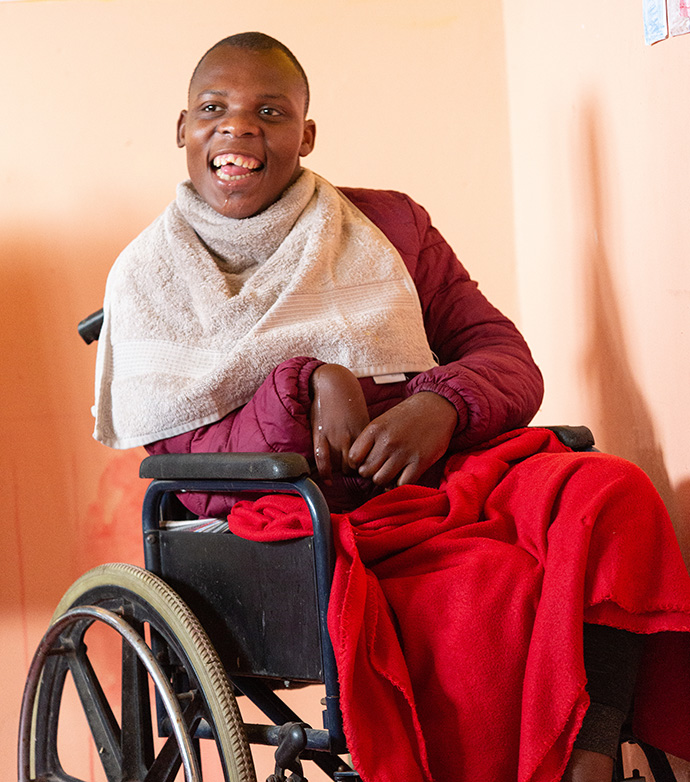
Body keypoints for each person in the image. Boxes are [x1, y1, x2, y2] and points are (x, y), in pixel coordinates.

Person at [93, 33, 690, 782]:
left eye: (269, 111)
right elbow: (184, 459)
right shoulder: (149, 275)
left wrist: (441, 404)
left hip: (436, 473)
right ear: (183, 130)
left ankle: (588, 757)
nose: (239, 127)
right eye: (214, 108)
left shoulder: (389, 227)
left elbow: (502, 355)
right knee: (482, 588)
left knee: (610, 493)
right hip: (295, 510)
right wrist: (307, 383)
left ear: (306, 135)